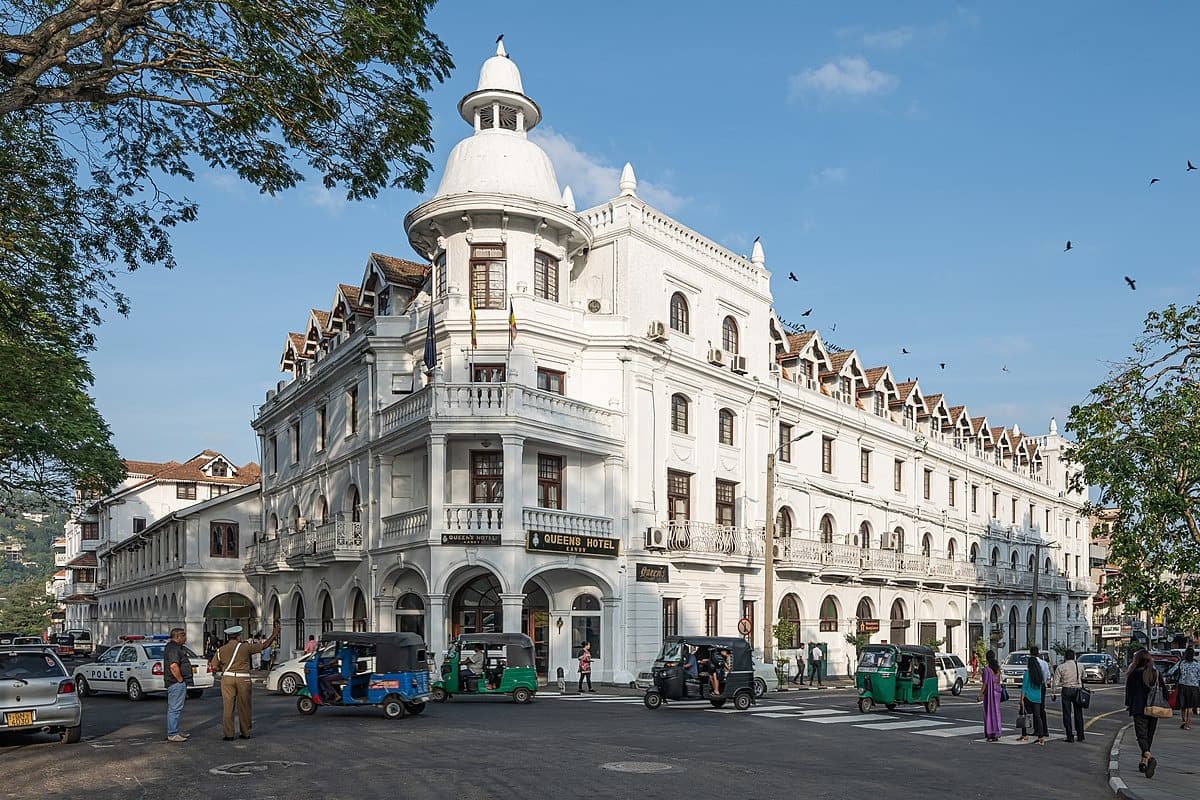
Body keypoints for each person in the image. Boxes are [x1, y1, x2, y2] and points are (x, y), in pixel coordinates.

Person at [213, 622, 279, 741]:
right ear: (238, 636)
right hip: (243, 679)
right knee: (244, 706)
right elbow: (264, 645)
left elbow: (214, 666)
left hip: (227, 678)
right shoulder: (245, 647)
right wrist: (274, 635)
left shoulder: (220, 650)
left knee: (228, 707)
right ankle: (245, 732)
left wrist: (223, 669)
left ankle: (229, 734)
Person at [1126, 648, 1161, 778]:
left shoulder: (1134, 674)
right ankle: (1143, 762)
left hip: (1139, 708)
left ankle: (1149, 757)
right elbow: (1164, 691)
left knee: (1141, 736)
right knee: (1148, 736)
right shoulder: (1155, 673)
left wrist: (1129, 705)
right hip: (1153, 708)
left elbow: (1129, 692)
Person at [163, 627, 192, 743]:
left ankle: (174, 730)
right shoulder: (173, 649)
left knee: (176, 708)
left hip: (175, 682)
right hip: (175, 683)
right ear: (177, 637)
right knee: (174, 709)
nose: (185, 638)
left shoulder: (174, 647)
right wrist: (180, 680)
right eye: (183, 635)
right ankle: (173, 733)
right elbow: (173, 666)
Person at [1052, 648, 1086, 742]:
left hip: (1066, 689)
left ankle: (1069, 736)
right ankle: (1080, 735)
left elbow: (1055, 681)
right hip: (1078, 690)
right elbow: (1084, 676)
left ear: (1065, 657)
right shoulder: (1080, 665)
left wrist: (1053, 692)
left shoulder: (1061, 667)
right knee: (1078, 713)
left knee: (1067, 713)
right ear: (1074, 657)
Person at [1021, 646, 1048, 745]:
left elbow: (1024, 687)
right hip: (1037, 697)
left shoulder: (1027, 673)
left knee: (1023, 714)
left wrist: (1021, 699)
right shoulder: (1039, 675)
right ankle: (1041, 736)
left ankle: (1024, 734)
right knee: (1038, 716)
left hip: (1028, 697)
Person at [976, 650, 1002, 741]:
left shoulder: (987, 670)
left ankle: (990, 733)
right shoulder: (997, 669)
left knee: (989, 713)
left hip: (990, 693)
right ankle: (996, 732)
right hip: (997, 692)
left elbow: (985, 683)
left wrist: (980, 693)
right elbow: (998, 681)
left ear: (987, 658)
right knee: (996, 712)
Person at [1177, 647, 1199, 731]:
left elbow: (1172, 671)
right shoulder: (1197, 665)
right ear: (1193, 655)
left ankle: (1183, 721)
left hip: (1182, 686)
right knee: (1190, 707)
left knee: (1183, 705)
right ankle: (1187, 725)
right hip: (1193, 687)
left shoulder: (1181, 663)